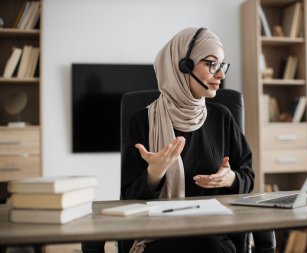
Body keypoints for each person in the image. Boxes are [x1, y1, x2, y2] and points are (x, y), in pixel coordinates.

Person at [82, 27, 275, 253]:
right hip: (158, 236)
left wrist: (230, 178)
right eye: (211, 63)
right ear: (183, 66)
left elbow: (248, 177)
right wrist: (154, 173)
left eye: (222, 65)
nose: (221, 74)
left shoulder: (223, 117)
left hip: (213, 235)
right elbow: (129, 199)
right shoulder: (141, 121)